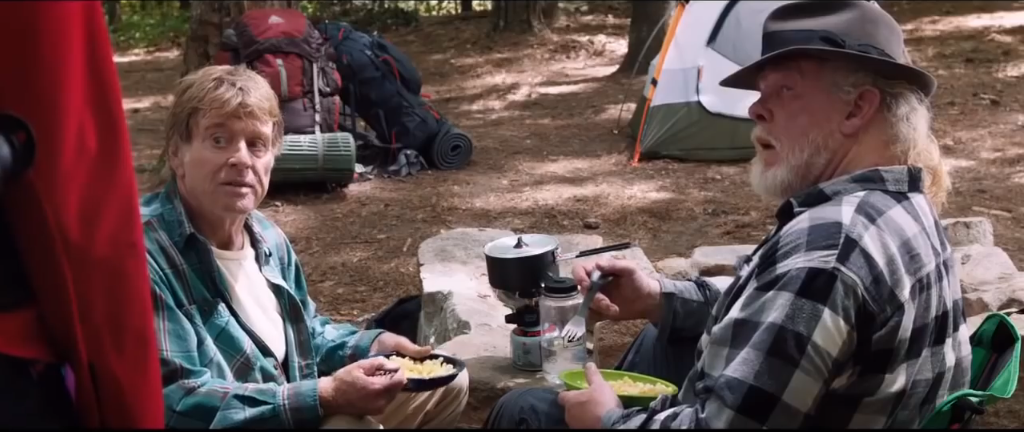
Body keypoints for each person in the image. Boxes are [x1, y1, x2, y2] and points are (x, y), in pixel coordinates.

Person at [484, 1, 971, 429]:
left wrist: (609, 421)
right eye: (761, 92)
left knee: (527, 410)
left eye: (784, 91)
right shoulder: (902, 203)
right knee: (661, 338)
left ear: (856, 110)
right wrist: (659, 297)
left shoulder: (827, 252)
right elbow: (781, 311)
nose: (756, 110)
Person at [140, 65, 467, 429]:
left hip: (289, 410)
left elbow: (306, 332)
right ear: (176, 154)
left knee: (447, 385)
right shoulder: (144, 252)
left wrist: (373, 345)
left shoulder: (266, 236)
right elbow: (177, 400)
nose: (241, 158)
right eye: (219, 140)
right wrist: (325, 395)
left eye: (256, 144)